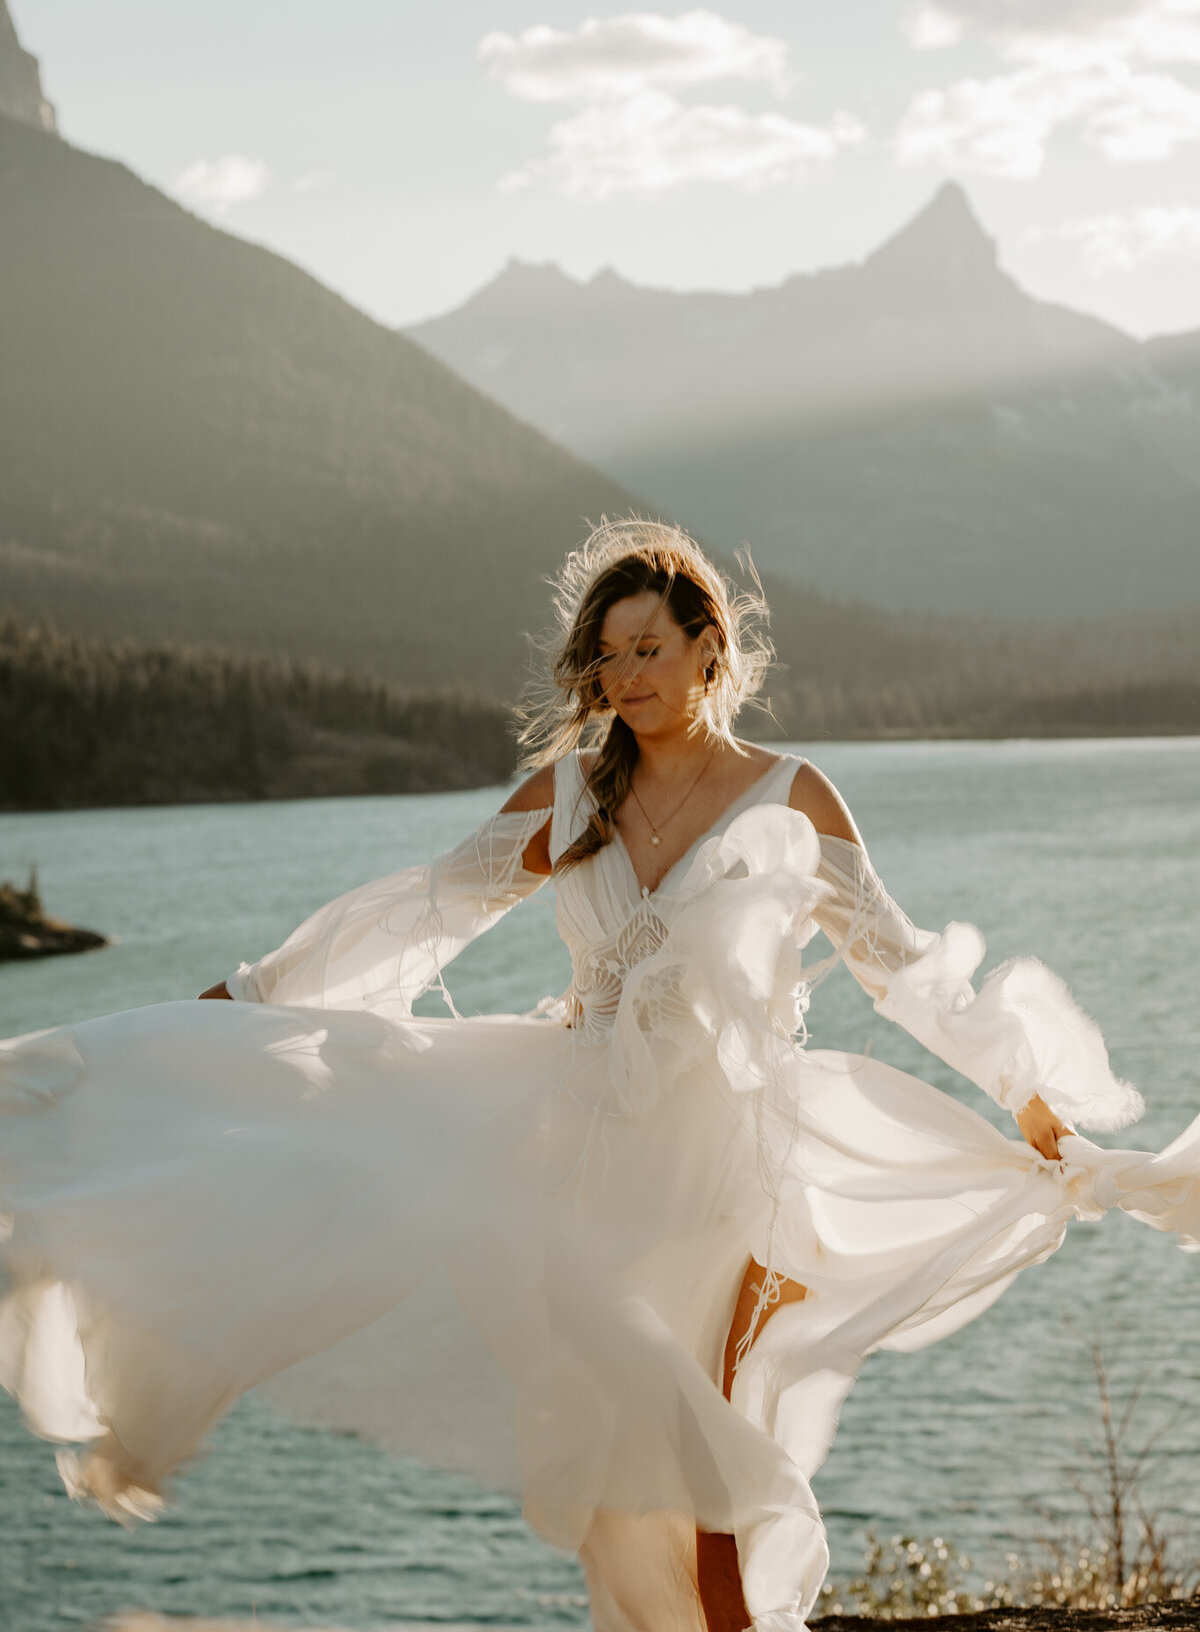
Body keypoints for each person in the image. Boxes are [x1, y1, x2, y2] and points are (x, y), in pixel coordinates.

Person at [2, 516, 1198, 1632]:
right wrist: (256, 1003)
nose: (625, 678)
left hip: (738, 1163)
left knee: (718, 1451)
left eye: (647, 649)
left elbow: (903, 968)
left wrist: (1032, 1101)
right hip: (582, 1164)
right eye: (607, 656)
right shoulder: (574, 793)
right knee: (636, 1470)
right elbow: (423, 915)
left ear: (708, 647)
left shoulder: (791, 796)